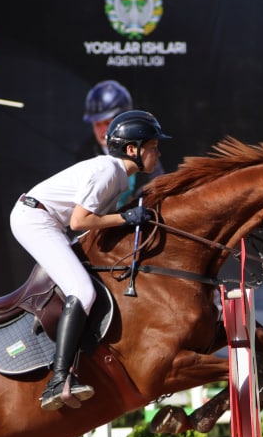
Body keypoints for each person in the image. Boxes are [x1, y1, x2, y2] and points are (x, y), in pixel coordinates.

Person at [11, 109, 170, 410]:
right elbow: (79, 221)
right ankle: (58, 380)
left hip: (48, 220)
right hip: (35, 220)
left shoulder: (117, 176)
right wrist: (125, 218)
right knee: (82, 291)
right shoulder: (108, 172)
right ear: (133, 149)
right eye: (153, 146)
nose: (158, 152)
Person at [80, 79, 161, 208]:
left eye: (107, 123)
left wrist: (138, 202)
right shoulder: (84, 153)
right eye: (97, 124)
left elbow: (156, 184)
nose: (102, 130)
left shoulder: (142, 146)